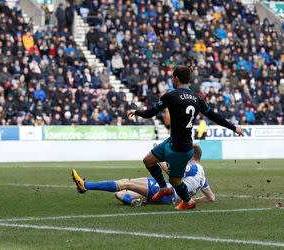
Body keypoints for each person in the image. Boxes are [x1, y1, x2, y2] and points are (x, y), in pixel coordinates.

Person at [127, 65, 243, 209]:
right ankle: (164, 189)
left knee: (176, 182)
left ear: (176, 78)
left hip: (180, 149)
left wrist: (136, 112)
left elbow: (150, 113)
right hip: (174, 142)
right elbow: (215, 117)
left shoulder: (170, 96)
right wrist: (234, 127)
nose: (171, 80)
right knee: (148, 160)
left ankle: (188, 202)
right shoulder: (197, 99)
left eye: (172, 78)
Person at [72, 144, 215, 206]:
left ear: (191, 156)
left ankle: (85, 185)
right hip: (169, 197)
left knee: (126, 183)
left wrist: (157, 157)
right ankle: (133, 201)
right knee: (121, 193)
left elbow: (170, 172)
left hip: (166, 191)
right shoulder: (202, 177)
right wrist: (188, 200)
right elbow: (211, 198)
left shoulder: (192, 166)